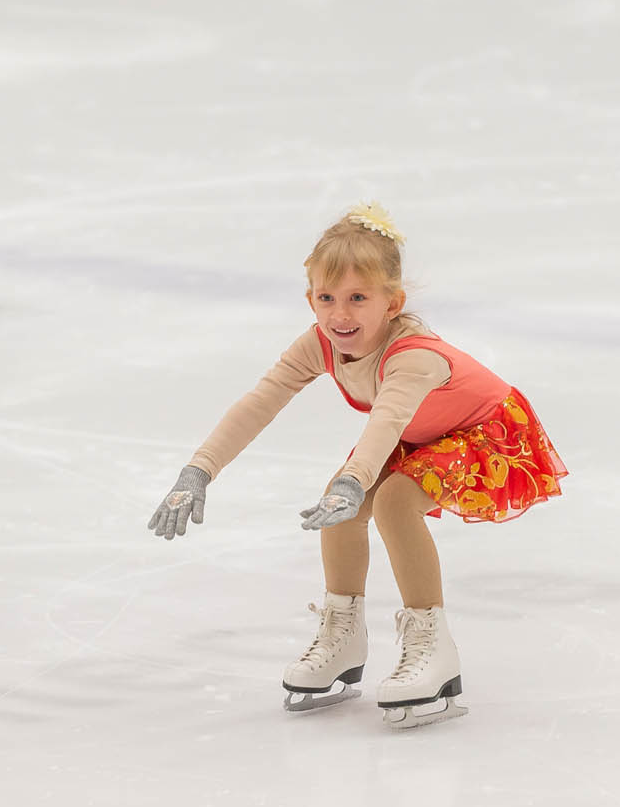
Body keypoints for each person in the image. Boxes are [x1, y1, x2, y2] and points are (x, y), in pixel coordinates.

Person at [147, 204, 565, 728]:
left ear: (393, 303)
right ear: (310, 299)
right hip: (419, 433)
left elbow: (386, 422)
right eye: (327, 298)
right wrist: (199, 471)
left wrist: (354, 481)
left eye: (358, 299)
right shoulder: (319, 344)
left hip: (487, 432)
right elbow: (260, 402)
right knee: (339, 502)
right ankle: (343, 635)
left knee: (393, 502)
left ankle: (432, 645)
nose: (340, 315)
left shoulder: (413, 356)